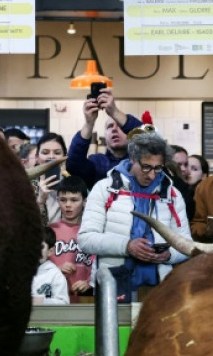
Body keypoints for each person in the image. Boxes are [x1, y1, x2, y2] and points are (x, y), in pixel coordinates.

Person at [78, 126, 191, 300]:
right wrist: (127, 246)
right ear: (132, 158)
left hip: (160, 286)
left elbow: (186, 245)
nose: (152, 175)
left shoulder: (172, 195)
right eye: (146, 167)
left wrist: (168, 255)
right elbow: (86, 239)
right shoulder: (104, 189)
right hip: (113, 284)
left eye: (158, 168)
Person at [66, 86, 143, 188]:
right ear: (105, 136)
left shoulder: (142, 162)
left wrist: (115, 112)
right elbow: (73, 164)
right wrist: (89, 123)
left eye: (119, 126)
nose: (114, 129)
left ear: (128, 131)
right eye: (109, 126)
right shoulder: (97, 163)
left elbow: (149, 139)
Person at [49, 176, 94, 303]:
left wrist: (89, 283)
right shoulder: (50, 231)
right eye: (63, 200)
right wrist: (57, 269)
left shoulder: (92, 232)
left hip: (87, 299)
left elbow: (101, 265)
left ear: (85, 201)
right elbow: (38, 266)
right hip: (55, 299)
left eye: (74, 200)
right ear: (57, 200)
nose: (68, 205)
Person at [34, 132, 67, 224]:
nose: (51, 156)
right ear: (37, 158)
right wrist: (40, 200)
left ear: (64, 157)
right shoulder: (24, 186)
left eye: (57, 153)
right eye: (45, 152)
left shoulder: (73, 183)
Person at [32, 226, 70, 305]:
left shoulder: (55, 275)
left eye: (41, 247)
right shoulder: (18, 272)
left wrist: (41, 301)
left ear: (50, 251)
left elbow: (64, 303)